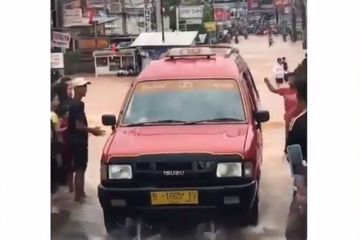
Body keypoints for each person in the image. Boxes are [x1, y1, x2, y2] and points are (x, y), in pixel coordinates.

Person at [68, 77, 105, 202]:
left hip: (77, 140)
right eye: (83, 87)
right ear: (77, 89)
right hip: (78, 141)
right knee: (80, 168)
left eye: (86, 86)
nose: (86, 89)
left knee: (81, 167)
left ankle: (80, 193)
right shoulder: (76, 105)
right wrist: (92, 131)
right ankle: (79, 196)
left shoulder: (76, 104)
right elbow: (78, 125)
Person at [285, 67, 307, 240]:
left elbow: (294, 158)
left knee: (295, 232)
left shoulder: (298, 123)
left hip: (307, 183)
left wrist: (301, 193)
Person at [264, 77, 303, 152]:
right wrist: (267, 83)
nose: (289, 82)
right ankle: (287, 148)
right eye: (289, 81)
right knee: (288, 134)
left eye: (292, 80)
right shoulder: (285, 90)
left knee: (298, 133)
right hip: (288, 117)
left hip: (299, 116)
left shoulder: (301, 91)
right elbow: (273, 90)